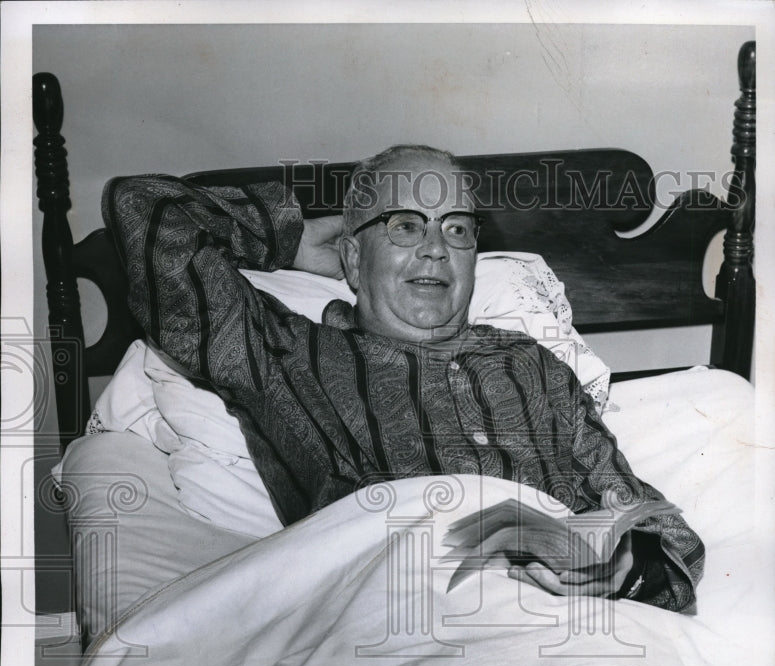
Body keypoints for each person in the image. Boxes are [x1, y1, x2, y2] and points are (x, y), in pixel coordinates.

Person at [102, 144, 704, 612]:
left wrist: (624, 566)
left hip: (568, 624)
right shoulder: (283, 353)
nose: (437, 249)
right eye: (405, 225)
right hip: (400, 620)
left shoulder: (536, 367)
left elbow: (651, 517)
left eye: (458, 228)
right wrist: (290, 237)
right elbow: (145, 209)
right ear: (354, 259)